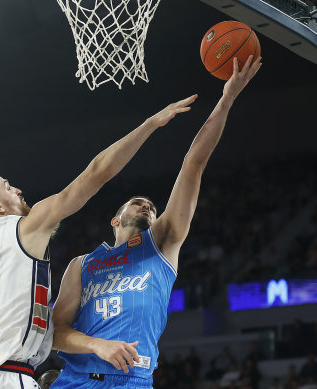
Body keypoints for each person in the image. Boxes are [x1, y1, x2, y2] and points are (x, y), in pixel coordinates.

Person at [0, 94, 197, 389]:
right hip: (12, 376)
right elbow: (97, 173)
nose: (17, 190)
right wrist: (150, 124)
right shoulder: (27, 226)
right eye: (6, 187)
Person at [51, 56, 262, 388]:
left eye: (151, 206)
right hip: (74, 380)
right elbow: (56, 332)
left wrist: (227, 98)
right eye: (137, 203)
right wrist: (97, 345)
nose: (147, 206)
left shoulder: (161, 243)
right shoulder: (82, 264)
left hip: (130, 381)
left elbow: (194, 162)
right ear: (115, 220)